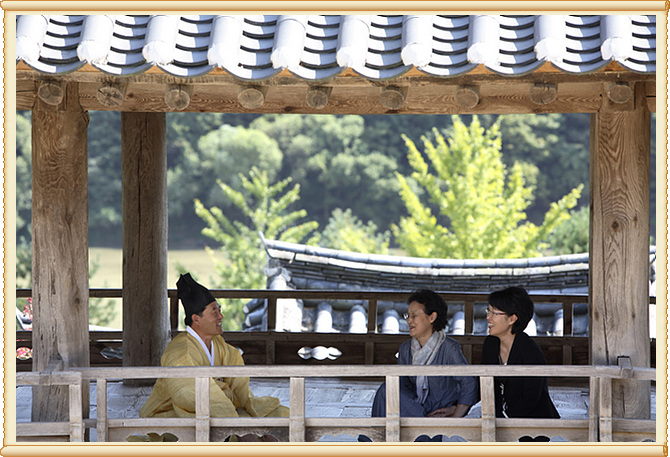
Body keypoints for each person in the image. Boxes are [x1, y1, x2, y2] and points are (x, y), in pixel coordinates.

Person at [139, 273, 289, 418]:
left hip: (217, 408)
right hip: (176, 412)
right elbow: (188, 394)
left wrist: (249, 405)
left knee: (281, 414)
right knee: (244, 427)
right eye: (214, 312)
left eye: (220, 310)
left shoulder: (217, 343)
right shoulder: (181, 352)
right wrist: (232, 420)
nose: (221, 316)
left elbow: (237, 379)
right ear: (196, 319)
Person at [370, 289, 478, 418]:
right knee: (386, 390)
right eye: (408, 316)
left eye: (414, 315)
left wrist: (456, 415)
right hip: (417, 410)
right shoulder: (405, 349)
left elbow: (468, 383)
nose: (409, 321)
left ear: (432, 317)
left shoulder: (449, 348)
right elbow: (402, 386)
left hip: (441, 413)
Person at [480, 286, 559, 419]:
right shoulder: (490, 344)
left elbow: (531, 397)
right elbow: (487, 386)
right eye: (488, 311)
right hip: (500, 420)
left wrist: (507, 419)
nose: (488, 317)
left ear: (512, 319)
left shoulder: (530, 350)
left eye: (494, 313)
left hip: (535, 421)